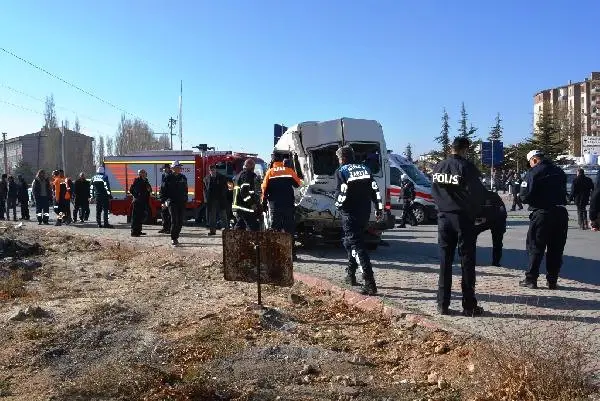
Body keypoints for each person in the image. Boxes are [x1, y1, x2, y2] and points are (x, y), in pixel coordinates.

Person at [431, 137, 487, 317]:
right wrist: (477, 214)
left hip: (443, 217)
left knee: (445, 261)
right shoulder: (466, 167)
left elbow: (434, 191)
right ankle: (469, 305)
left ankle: (442, 304)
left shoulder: (438, 166)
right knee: (467, 262)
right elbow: (478, 193)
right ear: (465, 149)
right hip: (463, 218)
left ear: (451, 148)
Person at [334, 145, 384, 296]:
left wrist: (337, 204)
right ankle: (350, 274)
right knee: (350, 243)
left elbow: (341, 192)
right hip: (364, 213)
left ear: (342, 158)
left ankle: (369, 283)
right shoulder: (365, 169)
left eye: (338, 159)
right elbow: (375, 189)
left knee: (356, 246)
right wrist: (379, 208)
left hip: (350, 214)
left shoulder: (341, 171)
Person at [519, 150, 568, 290]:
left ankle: (531, 279)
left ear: (534, 160)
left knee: (536, 247)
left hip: (542, 213)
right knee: (556, 248)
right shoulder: (559, 171)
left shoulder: (533, 172)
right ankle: (552, 280)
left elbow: (524, 195)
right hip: (560, 213)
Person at [261, 156, 302, 258]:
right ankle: (291, 253)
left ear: (273, 162)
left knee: (275, 228)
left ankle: (275, 253)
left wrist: (263, 202)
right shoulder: (289, 170)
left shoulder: (270, 172)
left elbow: (264, 189)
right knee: (289, 229)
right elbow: (298, 184)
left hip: (275, 205)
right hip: (288, 204)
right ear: (282, 162)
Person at [474, 190, 507, 267]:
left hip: (484, 219)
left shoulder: (474, 195)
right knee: (497, 243)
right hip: (497, 219)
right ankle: (496, 262)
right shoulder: (494, 196)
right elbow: (503, 212)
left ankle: (470, 259)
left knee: (470, 238)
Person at [160, 161, 188, 246]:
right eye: (177, 167)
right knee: (174, 220)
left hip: (181, 202)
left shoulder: (183, 177)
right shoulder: (168, 178)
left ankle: (176, 236)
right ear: (173, 168)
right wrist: (163, 202)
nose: (179, 169)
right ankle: (174, 238)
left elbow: (185, 190)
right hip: (172, 202)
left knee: (180, 221)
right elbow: (163, 191)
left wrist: (185, 198)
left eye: (180, 167)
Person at [232, 158, 261, 231]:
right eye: (253, 166)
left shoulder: (239, 175)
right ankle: (252, 241)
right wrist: (252, 204)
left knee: (240, 227)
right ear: (251, 166)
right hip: (246, 207)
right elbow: (244, 192)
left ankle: (236, 240)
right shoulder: (247, 175)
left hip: (238, 207)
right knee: (253, 228)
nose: (254, 168)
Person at [203, 164, 229, 235]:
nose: (212, 171)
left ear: (216, 169)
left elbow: (225, 188)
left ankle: (227, 230)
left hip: (220, 200)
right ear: (209, 171)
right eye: (211, 170)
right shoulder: (206, 179)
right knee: (212, 216)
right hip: (211, 200)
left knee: (223, 215)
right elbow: (204, 190)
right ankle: (212, 231)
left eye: (213, 169)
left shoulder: (222, 177)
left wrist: (222, 196)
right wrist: (206, 200)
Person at [129, 169, 152, 237]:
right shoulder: (137, 180)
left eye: (145, 173)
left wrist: (149, 189)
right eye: (144, 173)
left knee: (141, 217)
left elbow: (149, 189)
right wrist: (137, 196)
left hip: (144, 201)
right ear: (140, 174)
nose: (145, 174)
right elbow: (131, 190)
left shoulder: (146, 180)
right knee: (136, 217)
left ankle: (138, 231)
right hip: (138, 201)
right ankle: (134, 232)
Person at [158, 164, 172, 234]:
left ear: (168, 168)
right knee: (163, 213)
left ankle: (169, 229)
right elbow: (162, 186)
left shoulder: (171, 176)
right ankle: (164, 227)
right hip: (164, 198)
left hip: (169, 198)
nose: (164, 170)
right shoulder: (164, 175)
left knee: (169, 214)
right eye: (163, 169)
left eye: (165, 169)